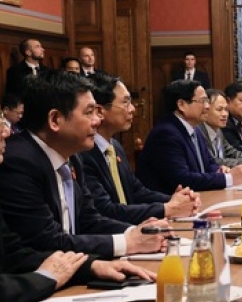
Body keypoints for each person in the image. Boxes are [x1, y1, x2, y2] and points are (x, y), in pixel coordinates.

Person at [0, 74, 154, 302]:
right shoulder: (16, 162)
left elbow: (12, 253)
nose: (6, 131)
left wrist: (89, 266)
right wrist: (46, 278)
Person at [0, 71, 168, 259]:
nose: (97, 120)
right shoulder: (18, 163)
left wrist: (136, 232)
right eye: (89, 112)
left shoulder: (73, 157)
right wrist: (127, 243)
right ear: (55, 120)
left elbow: (89, 221)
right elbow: (46, 241)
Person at [79, 73, 200, 225]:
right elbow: (106, 210)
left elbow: (136, 191)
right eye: (125, 103)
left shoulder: (115, 146)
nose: (132, 109)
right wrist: (166, 208)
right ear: (100, 111)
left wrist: (176, 200)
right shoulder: (83, 153)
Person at [137, 79, 242, 192]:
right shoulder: (166, 134)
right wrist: (228, 178)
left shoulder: (195, 129)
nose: (207, 106)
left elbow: (209, 163)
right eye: (203, 101)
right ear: (181, 105)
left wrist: (218, 170)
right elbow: (182, 179)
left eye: (207, 101)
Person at [199, 89, 242, 167]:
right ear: (205, 110)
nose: (225, 114)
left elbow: (232, 153)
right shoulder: (199, 133)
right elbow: (214, 161)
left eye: (226, 110)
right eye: (219, 109)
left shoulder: (218, 130)